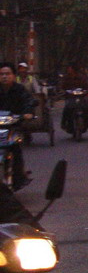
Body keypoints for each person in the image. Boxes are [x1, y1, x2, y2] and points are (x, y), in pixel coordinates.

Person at [0, 62, 37, 190]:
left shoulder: (19, 90)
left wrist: (28, 113)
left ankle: (18, 177)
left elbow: (29, 101)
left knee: (16, 149)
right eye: (2, 74)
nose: (4, 76)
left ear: (13, 76)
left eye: (7, 74)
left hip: (13, 127)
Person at [59, 64, 88, 131]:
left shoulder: (82, 77)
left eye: (70, 68)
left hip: (81, 97)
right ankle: (64, 123)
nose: (68, 70)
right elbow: (61, 86)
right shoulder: (66, 78)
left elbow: (87, 85)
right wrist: (62, 91)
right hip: (70, 97)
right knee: (67, 108)